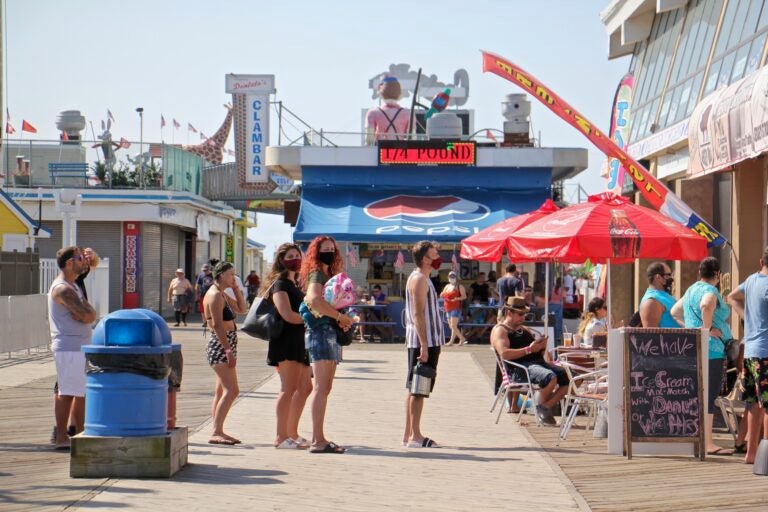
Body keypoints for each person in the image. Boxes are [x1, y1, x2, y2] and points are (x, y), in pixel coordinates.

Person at [671, 256, 733, 456]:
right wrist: (706, 330)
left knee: (697, 393)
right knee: (709, 394)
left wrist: (695, 330)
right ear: (717, 274)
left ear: (700, 272)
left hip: (693, 347)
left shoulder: (690, 290)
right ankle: (707, 442)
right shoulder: (710, 290)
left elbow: (674, 312)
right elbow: (706, 305)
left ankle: (698, 438)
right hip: (711, 351)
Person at [299, 235, 353, 454]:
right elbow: (313, 300)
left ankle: (319, 437)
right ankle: (317, 440)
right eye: (326, 248)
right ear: (316, 251)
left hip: (326, 332)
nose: (330, 252)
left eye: (332, 248)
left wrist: (339, 318)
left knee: (325, 387)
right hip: (320, 332)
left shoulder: (325, 273)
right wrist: (339, 318)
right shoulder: (317, 273)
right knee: (322, 388)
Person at [262, 243, 312, 449]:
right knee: (288, 388)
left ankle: (292, 432)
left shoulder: (296, 284)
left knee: (305, 387)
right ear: (281, 260)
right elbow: (288, 315)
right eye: (290, 256)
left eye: (297, 255)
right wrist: (311, 318)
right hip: (286, 342)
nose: (295, 259)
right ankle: (280, 436)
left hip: (300, 341)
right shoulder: (280, 284)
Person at [490, 296, 569, 426]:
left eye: (525, 314)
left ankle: (544, 407)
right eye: (520, 314)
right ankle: (542, 409)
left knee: (573, 378)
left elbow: (536, 351)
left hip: (538, 364)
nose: (523, 317)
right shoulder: (501, 330)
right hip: (520, 368)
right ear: (509, 312)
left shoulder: (524, 329)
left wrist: (541, 347)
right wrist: (529, 349)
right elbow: (504, 354)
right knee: (551, 377)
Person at [48, 246, 97, 450]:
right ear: (69, 263)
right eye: (79, 259)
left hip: (79, 344)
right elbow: (88, 315)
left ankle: (78, 432)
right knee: (66, 392)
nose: (83, 262)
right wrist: (86, 313)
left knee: (80, 391)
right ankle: (61, 436)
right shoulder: (63, 288)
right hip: (68, 346)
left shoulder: (73, 285)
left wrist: (87, 313)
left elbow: (89, 312)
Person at [403, 240, 445, 448]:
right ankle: (416, 436)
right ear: (424, 259)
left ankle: (409, 433)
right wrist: (424, 345)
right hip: (424, 340)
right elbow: (418, 313)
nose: (438, 258)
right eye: (434, 254)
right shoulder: (419, 279)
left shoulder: (423, 278)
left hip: (426, 340)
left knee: (414, 387)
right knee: (419, 389)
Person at [728, 246, 768, 464]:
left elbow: (731, 296)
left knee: (753, 404)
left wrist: (746, 317)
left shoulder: (752, 280)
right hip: (766, 351)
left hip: (752, 351)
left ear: (761, 262)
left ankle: (751, 454)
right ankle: (765, 456)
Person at [203, 261, 248, 445]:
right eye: (231, 274)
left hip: (227, 343)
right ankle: (216, 431)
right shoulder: (214, 295)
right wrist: (227, 350)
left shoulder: (221, 293)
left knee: (221, 390)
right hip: (221, 345)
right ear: (221, 275)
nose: (233, 277)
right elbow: (217, 325)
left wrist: (236, 288)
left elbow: (242, 309)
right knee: (232, 390)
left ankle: (217, 428)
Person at [365, 75, 410, 144]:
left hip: (380, 151)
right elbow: (412, 138)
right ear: (399, 91)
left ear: (380, 90)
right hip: (400, 152)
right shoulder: (408, 113)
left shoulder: (373, 112)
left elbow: (369, 140)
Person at [639, 262, 682, 328]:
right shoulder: (651, 301)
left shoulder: (663, 296)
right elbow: (651, 335)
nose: (671, 278)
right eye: (668, 275)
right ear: (658, 277)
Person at [440, 271, 468, 346]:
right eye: (450, 277)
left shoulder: (459, 286)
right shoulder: (447, 286)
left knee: (453, 326)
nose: (452, 278)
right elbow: (442, 294)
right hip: (447, 307)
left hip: (455, 307)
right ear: (448, 277)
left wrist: (457, 298)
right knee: (451, 326)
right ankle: (461, 338)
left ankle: (452, 341)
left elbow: (464, 296)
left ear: (456, 277)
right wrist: (442, 294)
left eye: (453, 277)